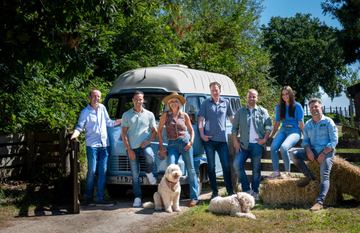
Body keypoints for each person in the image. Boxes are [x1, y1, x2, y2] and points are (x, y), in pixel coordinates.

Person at [71, 88, 122, 207]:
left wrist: (124, 120)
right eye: (94, 96)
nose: (96, 98)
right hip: (92, 146)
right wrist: (74, 136)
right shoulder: (85, 112)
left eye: (98, 96)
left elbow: (109, 122)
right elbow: (80, 127)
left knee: (103, 172)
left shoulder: (103, 109)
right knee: (92, 171)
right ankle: (89, 198)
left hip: (105, 145)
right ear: (89, 98)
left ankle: (100, 198)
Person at [290, 98, 338, 211]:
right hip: (312, 151)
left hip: (327, 152)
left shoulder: (328, 122)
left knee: (324, 175)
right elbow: (305, 141)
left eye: (316, 107)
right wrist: (308, 150)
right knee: (293, 154)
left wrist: (324, 153)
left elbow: (334, 141)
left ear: (321, 108)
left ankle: (319, 202)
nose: (314, 109)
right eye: (312, 107)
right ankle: (309, 176)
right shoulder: (308, 124)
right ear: (310, 110)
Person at [158, 92, 198, 207]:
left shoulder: (184, 115)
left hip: (185, 143)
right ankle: (171, 199)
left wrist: (191, 142)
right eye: (172, 101)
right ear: (169, 104)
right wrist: (161, 146)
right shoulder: (165, 115)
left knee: (191, 170)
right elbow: (159, 130)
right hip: (172, 144)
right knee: (170, 170)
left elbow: (191, 130)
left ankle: (194, 198)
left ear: (179, 103)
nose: (174, 103)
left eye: (176, 101)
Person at [232, 89, 272, 200]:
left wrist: (264, 139)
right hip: (243, 144)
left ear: (257, 98)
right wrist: (236, 142)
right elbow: (234, 128)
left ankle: (255, 192)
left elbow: (268, 126)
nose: (252, 99)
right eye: (250, 96)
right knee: (236, 165)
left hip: (257, 145)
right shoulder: (240, 112)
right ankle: (246, 189)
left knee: (256, 169)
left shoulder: (263, 111)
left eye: (254, 97)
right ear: (246, 97)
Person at [198, 82, 235, 199]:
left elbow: (232, 117)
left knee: (226, 166)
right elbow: (200, 120)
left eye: (216, 90)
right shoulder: (205, 103)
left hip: (222, 140)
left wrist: (237, 128)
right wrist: (202, 135)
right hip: (209, 140)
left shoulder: (226, 103)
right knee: (211, 167)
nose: (215, 92)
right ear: (210, 92)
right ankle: (214, 192)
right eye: (212, 90)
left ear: (220, 91)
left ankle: (230, 191)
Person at [121, 91, 157, 207]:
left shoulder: (149, 114)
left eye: (140, 99)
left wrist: (148, 141)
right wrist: (129, 149)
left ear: (143, 100)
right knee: (134, 174)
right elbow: (124, 133)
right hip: (132, 147)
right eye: (136, 99)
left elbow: (154, 131)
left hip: (145, 145)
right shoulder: (126, 115)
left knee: (150, 156)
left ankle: (149, 172)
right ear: (133, 100)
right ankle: (137, 197)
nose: (138, 101)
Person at [267, 86, 304, 179]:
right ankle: (276, 172)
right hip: (283, 130)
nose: (285, 96)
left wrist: (305, 136)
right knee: (273, 147)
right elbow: (277, 122)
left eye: (287, 94)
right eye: (283, 94)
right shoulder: (279, 106)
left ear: (291, 94)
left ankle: (288, 173)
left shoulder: (298, 106)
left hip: (295, 131)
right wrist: (272, 135)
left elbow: (301, 123)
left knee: (284, 148)